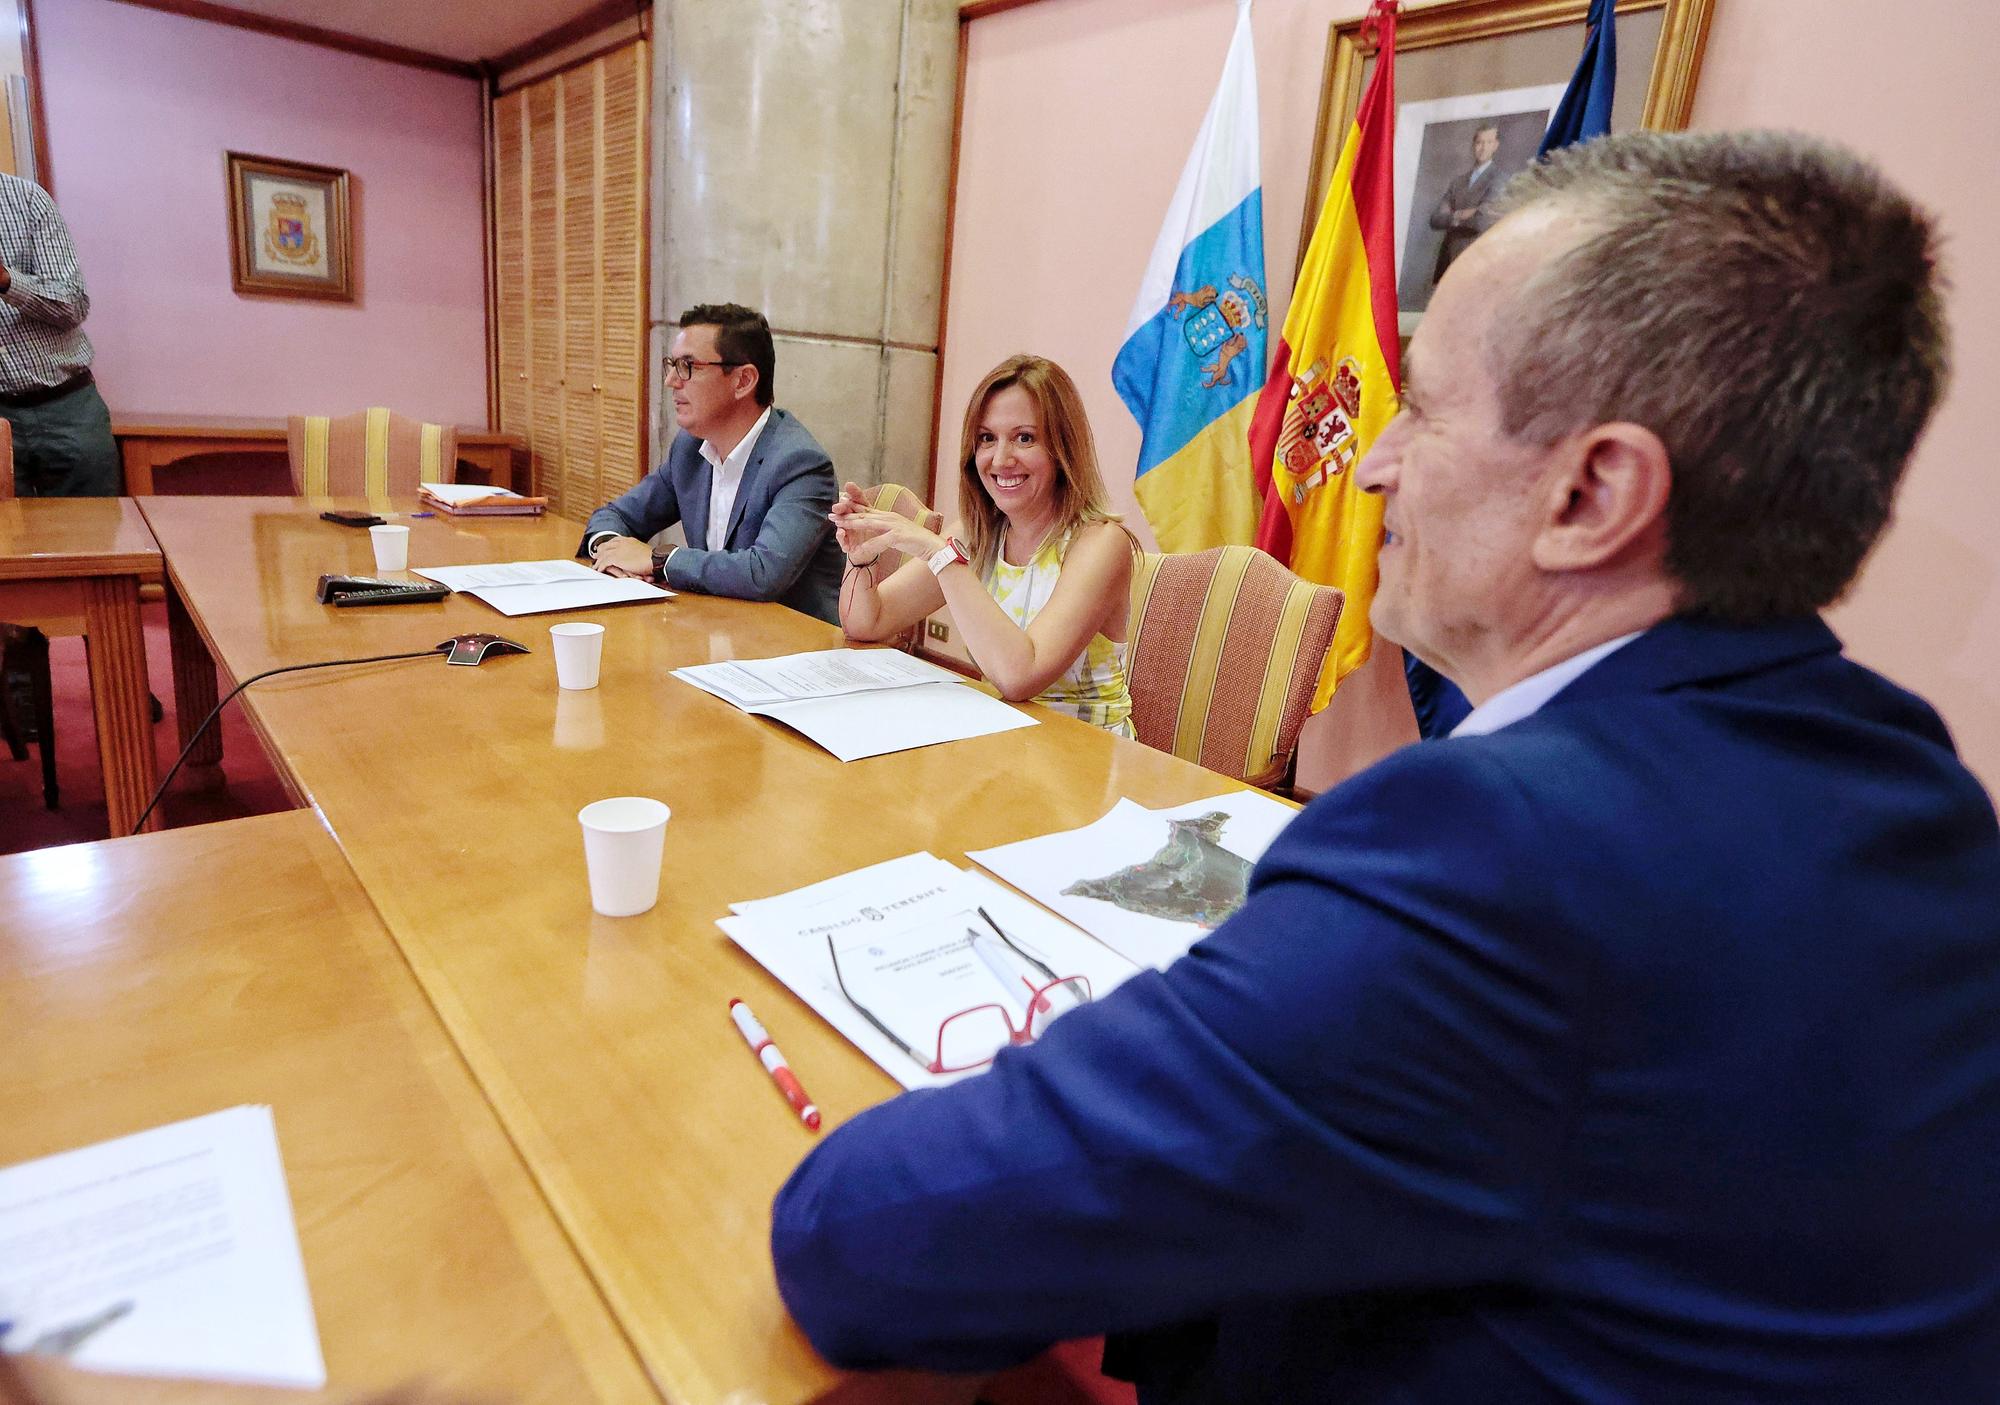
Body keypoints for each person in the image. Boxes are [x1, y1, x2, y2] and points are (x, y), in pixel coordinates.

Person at [768, 130, 2000, 1403]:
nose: (1369, 463)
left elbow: (861, 1239)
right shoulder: (1912, 782)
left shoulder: (1490, 851)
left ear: (1592, 495)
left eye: (1417, 406)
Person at [832, 354, 1135, 736]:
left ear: (1062, 449)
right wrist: (861, 558)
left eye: (1024, 438)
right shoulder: (980, 533)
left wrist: (940, 555)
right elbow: (867, 623)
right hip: (1004, 740)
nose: (1001, 459)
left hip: (1087, 756)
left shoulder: (1101, 543)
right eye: (987, 439)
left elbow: (1019, 677)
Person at [580, 303, 842, 623]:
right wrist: (612, 551)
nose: (672, 381)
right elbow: (616, 515)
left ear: (743, 381)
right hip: (716, 630)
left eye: (689, 366)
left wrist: (659, 559)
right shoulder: (690, 450)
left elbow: (763, 573)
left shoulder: (800, 464)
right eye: (672, 364)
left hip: (793, 649)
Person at [0, 172, 119, 498]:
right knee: (7, 543)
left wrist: (7, 281)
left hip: (67, 407)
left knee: (91, 535)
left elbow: (73, 304)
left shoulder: (26, 200)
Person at [1428, 122, 1505, 283]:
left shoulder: (1500, 179)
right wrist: (1464, 214)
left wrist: (1452, 216)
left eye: (1488, 143)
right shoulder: (1458, 182)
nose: (1483, 148)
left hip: (1478, 259)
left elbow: (1482, 221)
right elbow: (1435, 219)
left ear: (1496, 146)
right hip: (1449, 259)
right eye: (1479, 143)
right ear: (1473, 145)